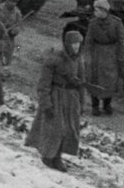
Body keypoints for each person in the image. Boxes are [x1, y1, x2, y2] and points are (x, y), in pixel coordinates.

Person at [25, 30, 84, 172]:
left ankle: (57, 156)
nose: (76, 46)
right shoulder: (54, 59)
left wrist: (81, 102)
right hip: (56, 97)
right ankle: (48, 155)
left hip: (71, 99)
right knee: (55, 129)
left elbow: (81, 83)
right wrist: (46, 103)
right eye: (73, 43)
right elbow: (43, 84)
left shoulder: (78, 60)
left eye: (78, 43)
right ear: (67, 43)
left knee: (68, 130)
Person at [82, 0, 124, 116]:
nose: (95, 13)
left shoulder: (117, 23)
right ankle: (95, 106)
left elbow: (122, 41)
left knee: (110, 81)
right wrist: (87, 57)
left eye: (97, 10)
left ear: (104, 11)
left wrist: (122, 55)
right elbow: (88, 41)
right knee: (94, 79)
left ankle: (107, 105)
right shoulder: (93, 23)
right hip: (97, 54)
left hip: (111, 55)